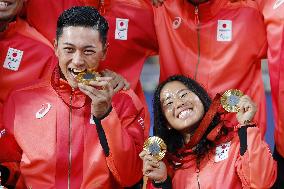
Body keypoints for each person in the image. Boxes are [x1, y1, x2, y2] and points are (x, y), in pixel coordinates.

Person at [0, 6, 145, 188]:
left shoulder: (124, 101)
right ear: (56, 48)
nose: (77, 61)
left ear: (104, 51)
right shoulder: (21, 99)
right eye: (69, 49)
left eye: (88, 51)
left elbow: (131, 176)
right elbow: (10, 164)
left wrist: (106, 115)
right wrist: (4, 173)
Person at [23, 0, 158, 139]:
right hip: (45, 118)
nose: (77, 60)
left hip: (122, 121)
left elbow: (176, 41)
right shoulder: (39, 4)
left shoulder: (142, 11)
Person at [140, 75, 276, 188]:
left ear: (201, 99)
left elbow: (261, 182)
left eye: (183, 94)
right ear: (167, 123)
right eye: (169, 103)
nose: (178, 103)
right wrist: (162, 183)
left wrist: (247, 126)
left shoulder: (237, 143)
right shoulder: (169, 166)